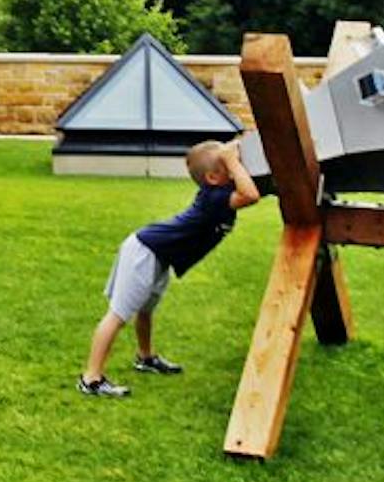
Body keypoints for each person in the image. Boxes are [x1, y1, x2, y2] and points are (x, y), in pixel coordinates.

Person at [80, 137, 261, 397]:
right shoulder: (216, 198)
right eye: (230, 167)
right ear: (212, 177)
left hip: (159, 255)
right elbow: (251, 195)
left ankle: (145, 357)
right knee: (118, 315)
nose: (237, 169)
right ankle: (91, 378)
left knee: (146, 309)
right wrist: (230, 159)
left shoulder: (219, 191)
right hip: (145, 251)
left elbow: (248, 183)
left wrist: (231, 153)